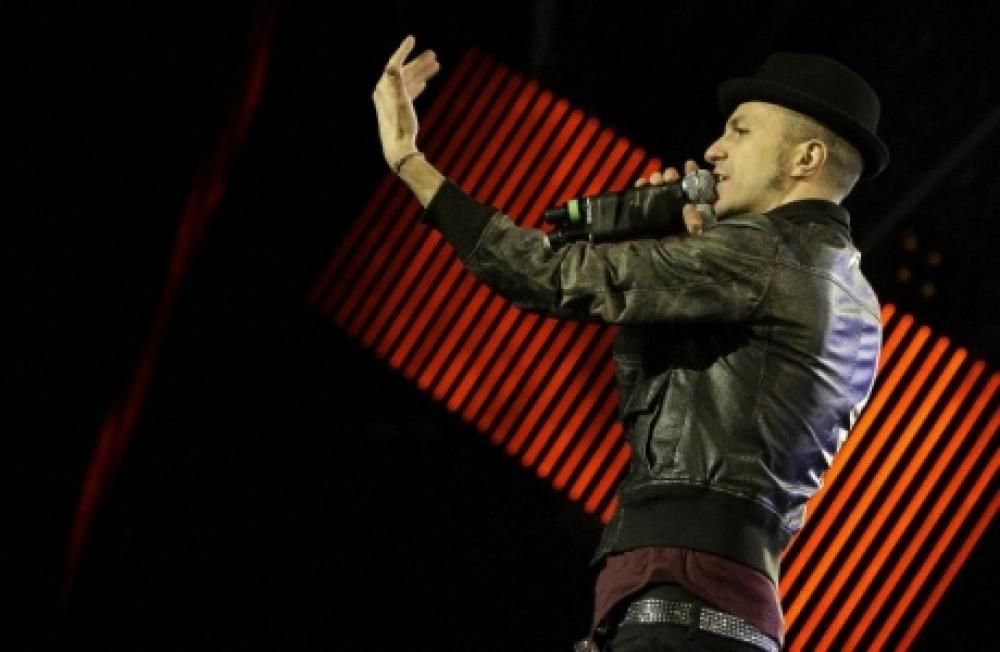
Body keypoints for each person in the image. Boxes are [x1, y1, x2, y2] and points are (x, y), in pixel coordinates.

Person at [372, 35, 886, 652]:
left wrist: (410, 162)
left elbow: (547, 276)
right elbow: (663, 418)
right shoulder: (853, 296)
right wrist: (677, 255)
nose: (714, 149)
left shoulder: (764, 255)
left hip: (678, 601)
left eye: (741, 131)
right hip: (719, 606)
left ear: (806, 158)